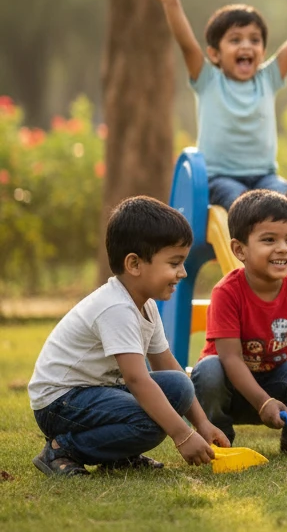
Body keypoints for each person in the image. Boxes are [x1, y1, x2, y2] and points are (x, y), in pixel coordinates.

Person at [28, 196, 230, 477]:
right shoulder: (116, 307)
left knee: (179, 387)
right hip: (60, 402)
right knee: (152, 421)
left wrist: (201, 423)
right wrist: (182, 435)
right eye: (174, 262)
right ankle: (62, 449)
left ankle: (118, 454)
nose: (182, 273)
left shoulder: (144, 303)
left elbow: (166, 365)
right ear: (134, 264)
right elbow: (137, 380)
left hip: (96, 394)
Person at [144, 0, 287, 211]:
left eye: (255, 40)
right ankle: (255, 210)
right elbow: (187, 44)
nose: (246, 46)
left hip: (264, 176)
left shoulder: (268, 79)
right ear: (214, 54)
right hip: (219, 178)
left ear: (263, 50)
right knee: (238, 198)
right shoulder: (208, 80)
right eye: (235, 40)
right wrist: (171, 1)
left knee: (280, 193)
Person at [191, 190, 287, 455]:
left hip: (276, 388)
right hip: (231, 390)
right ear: (239, 249)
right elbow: (231, 359)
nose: (283, 248)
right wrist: (262, 402)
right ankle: (219, 440)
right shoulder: (227, 292)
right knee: (209, 370)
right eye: (269, 239)